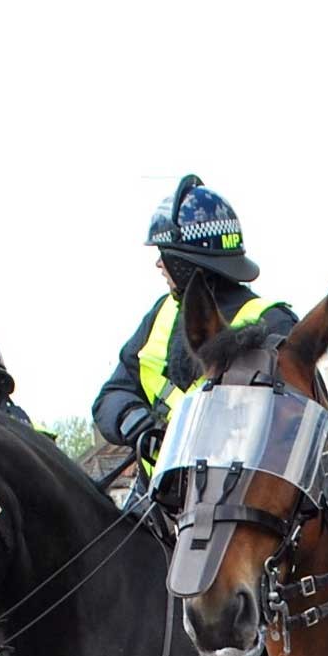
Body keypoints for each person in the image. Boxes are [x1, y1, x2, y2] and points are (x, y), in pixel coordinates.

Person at [93, 176, 295, 463]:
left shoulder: (274, 324)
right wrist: (136, 423)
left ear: (185, 263)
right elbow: (111, 396)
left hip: (231, 503)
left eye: (164, 254)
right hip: (156, 499)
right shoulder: (160, 314)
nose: (159, 264)